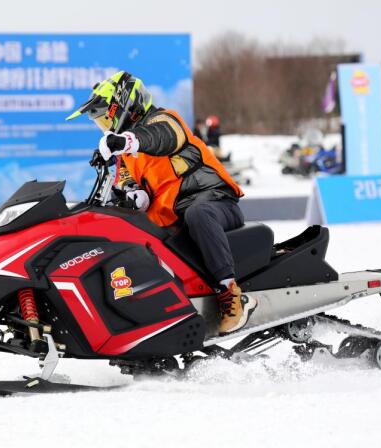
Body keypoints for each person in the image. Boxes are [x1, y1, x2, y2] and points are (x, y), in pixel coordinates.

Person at [66, 71, 257, 335]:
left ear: (125, 105)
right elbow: (128, 185)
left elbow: (162, 136)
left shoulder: (164, 120)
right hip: (175, 218)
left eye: (106, 118)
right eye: (101, 123)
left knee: (198, 213)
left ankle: (230, 294)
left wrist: (128, 141)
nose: (106, 127)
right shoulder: (125, 157)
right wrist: (128, 196)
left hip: (215, 203)